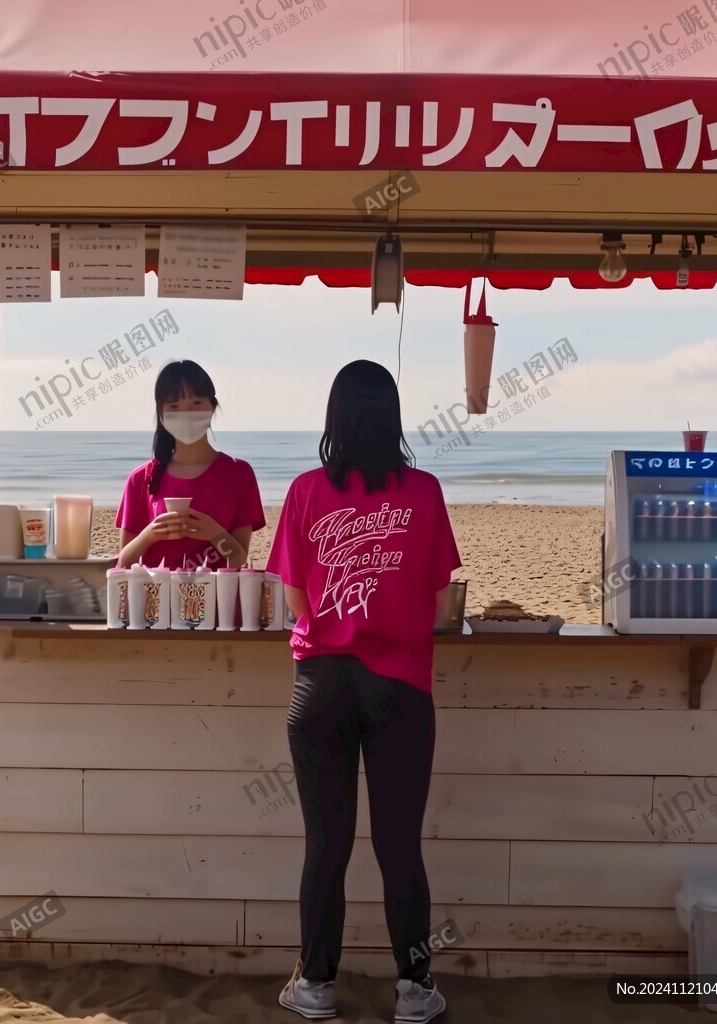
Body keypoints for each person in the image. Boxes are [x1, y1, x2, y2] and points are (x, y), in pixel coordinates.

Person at [266, 360, 461, 1023]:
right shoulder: (425, 492)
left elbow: (295, 598)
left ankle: (317, 985)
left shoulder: (303, 491)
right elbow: (439, 603)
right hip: (400, 685)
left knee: (326, 843)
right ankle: (413, 990)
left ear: (334, 419)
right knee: (398, 845)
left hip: (319, 686)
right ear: (394, 417)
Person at [116, 360, 265, 569]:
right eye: (174, 407)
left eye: (195, 404)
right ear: (161, 413)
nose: (185, 415)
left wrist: (214, 533)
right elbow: (123, 563)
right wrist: (150, 534)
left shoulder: (239, 474)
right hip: (156, 600)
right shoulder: (141, 479)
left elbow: (239, 560)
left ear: (212, 407)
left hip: (220, 600)